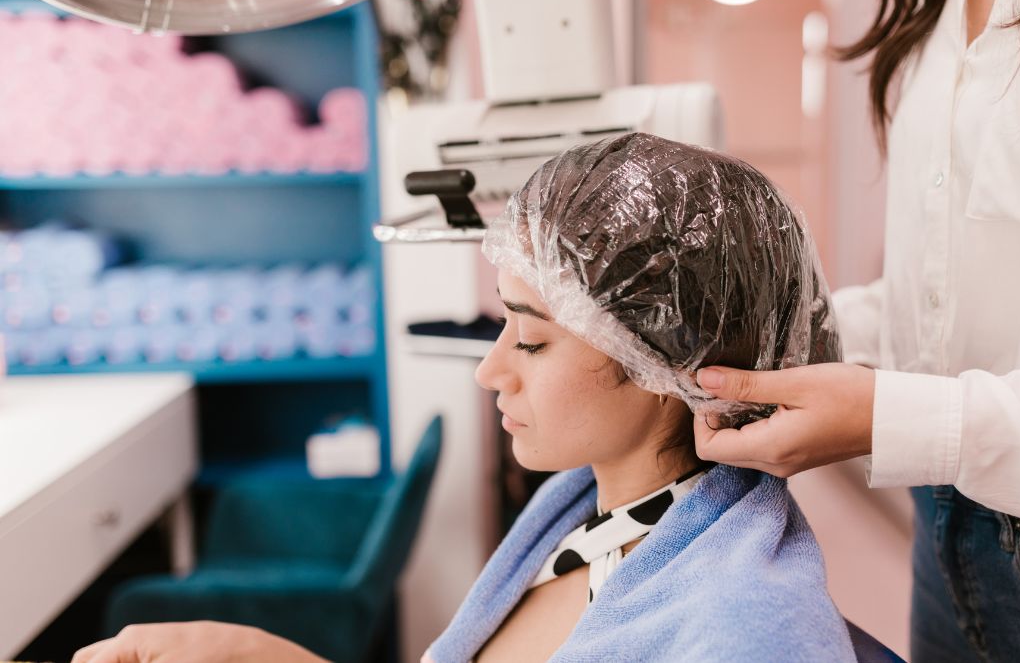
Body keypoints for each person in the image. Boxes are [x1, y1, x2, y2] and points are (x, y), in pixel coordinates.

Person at [75, 133, 865, 662]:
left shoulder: (744, 625)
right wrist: (252, 652)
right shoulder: (578, 514)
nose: (490, 370)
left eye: (530, 337)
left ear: (666, 362)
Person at [690, 0, 1020, 661]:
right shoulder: (939, 7)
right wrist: (762, 347)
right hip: (945, 535)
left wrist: (906, 419)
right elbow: (940, 299)